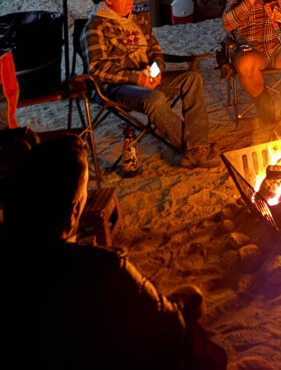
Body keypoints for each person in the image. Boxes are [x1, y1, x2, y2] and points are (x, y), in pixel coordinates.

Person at [0, 134, 227, 369]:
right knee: (191, 297)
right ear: (74, 211)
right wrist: (183, 301)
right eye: (85, 193)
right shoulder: (102, 268)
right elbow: (171, 325)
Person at [85, 0, 215, 169]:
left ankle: (198, 146)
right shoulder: (96, 26)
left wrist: (154, 71)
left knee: (192, 79)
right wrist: (137, 78)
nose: (130, 0)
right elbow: (98, 68)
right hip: (118, 86)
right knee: (154, 99)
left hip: (147, 78)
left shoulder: (138, 20)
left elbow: (156, 51)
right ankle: (194, 149)